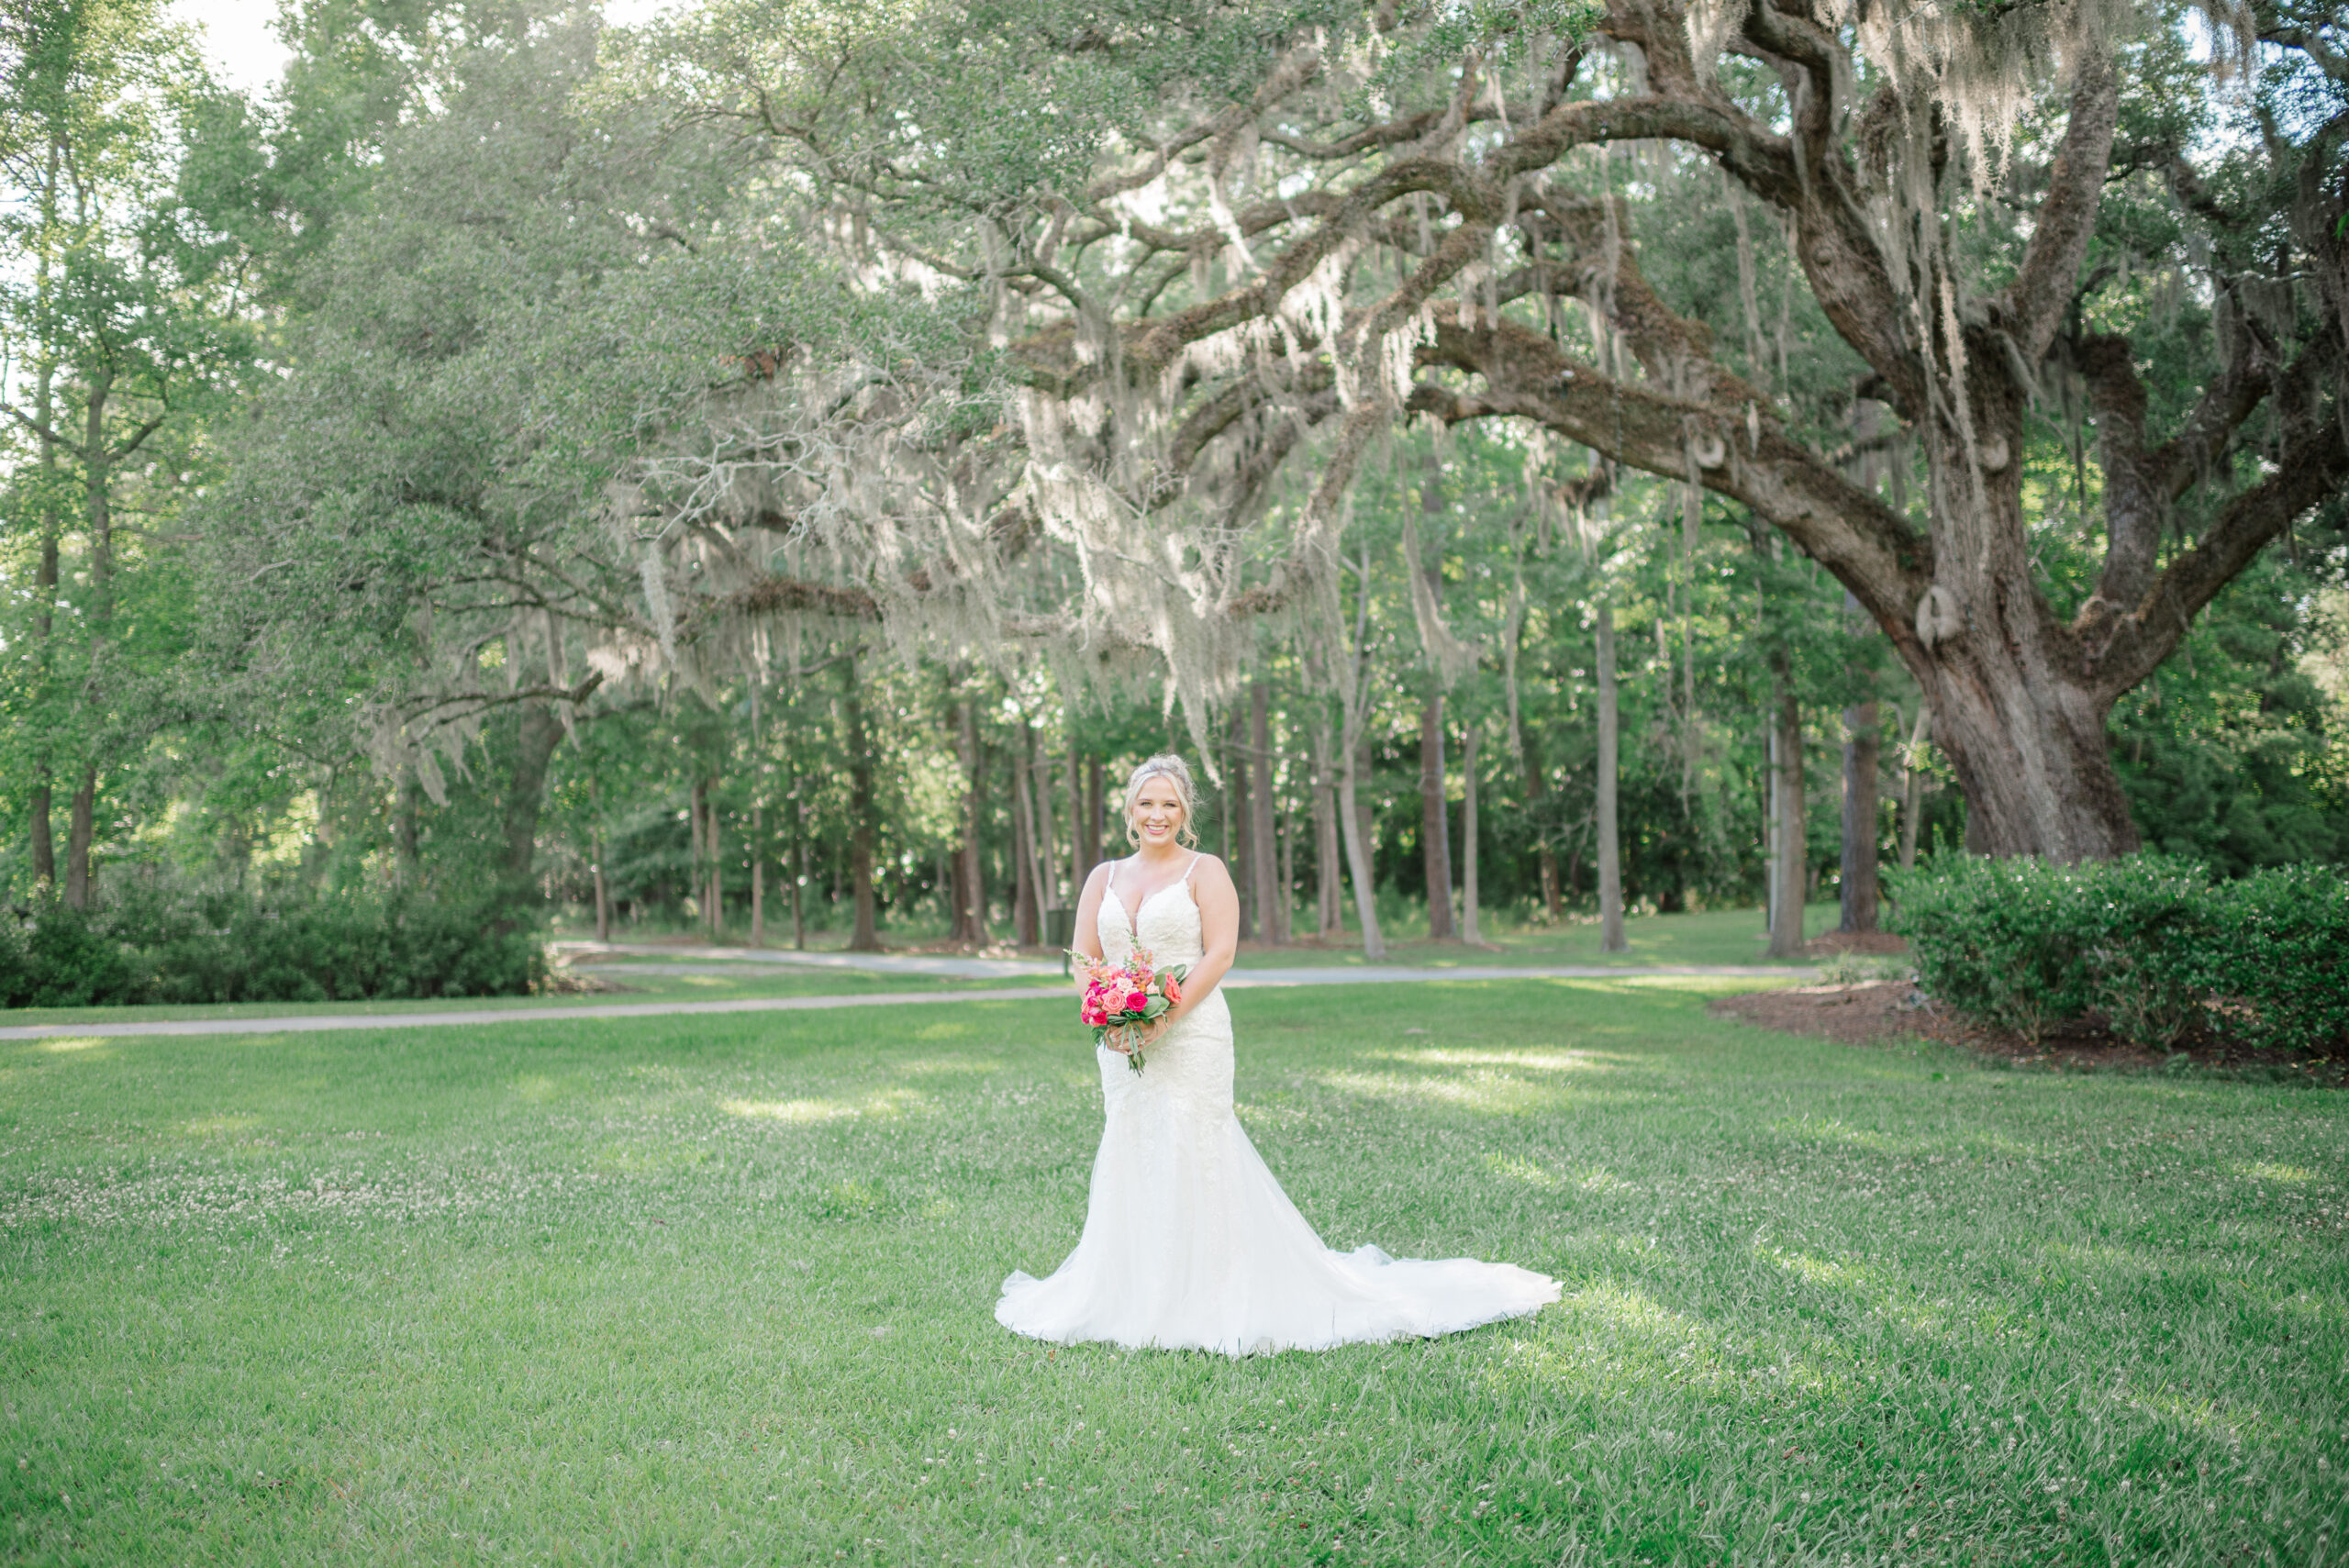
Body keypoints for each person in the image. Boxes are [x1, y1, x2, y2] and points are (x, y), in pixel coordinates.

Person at [995, 752, 1559, 1355]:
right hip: (1119, 1042)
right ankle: (1133, 1290)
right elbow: (1081, 958)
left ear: (1185, 813)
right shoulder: (1102, 877)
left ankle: (1211, 1292)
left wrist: (1164, 1018)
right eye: (1146, 803)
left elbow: (1220, 955)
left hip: (1192, 1033)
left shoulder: (1203, 871)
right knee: (1133, 1143)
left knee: (1194, 1145)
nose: (1157, 814)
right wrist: (1104, 1012)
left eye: (1170, 804)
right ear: (1129, 812)